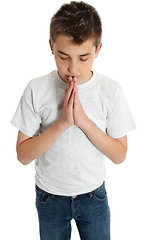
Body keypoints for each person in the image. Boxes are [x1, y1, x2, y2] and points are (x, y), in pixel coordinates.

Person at [11, 1, 136, 239]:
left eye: (84, 57)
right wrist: (63, 123)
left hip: (94, 197)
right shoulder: (36, 89)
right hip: (49, 197)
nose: (73, 68)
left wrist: (83, 122)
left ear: (98, 50)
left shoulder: (111, 91)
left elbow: (120, 155)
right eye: (63, 56)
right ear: (51, 46)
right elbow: (23, 155)